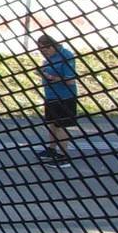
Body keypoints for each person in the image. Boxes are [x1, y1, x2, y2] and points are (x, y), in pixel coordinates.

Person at [36, 33, 78, 165]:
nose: (43, 52)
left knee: (61, 126)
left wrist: (50, 77)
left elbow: (70, 80)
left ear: (52, 46)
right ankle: (52, 149)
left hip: (64, 96)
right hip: (51, 95)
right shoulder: (50, 57)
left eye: (45, 49)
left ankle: (64, 156)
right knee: (53, 123)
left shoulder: (66, 56)